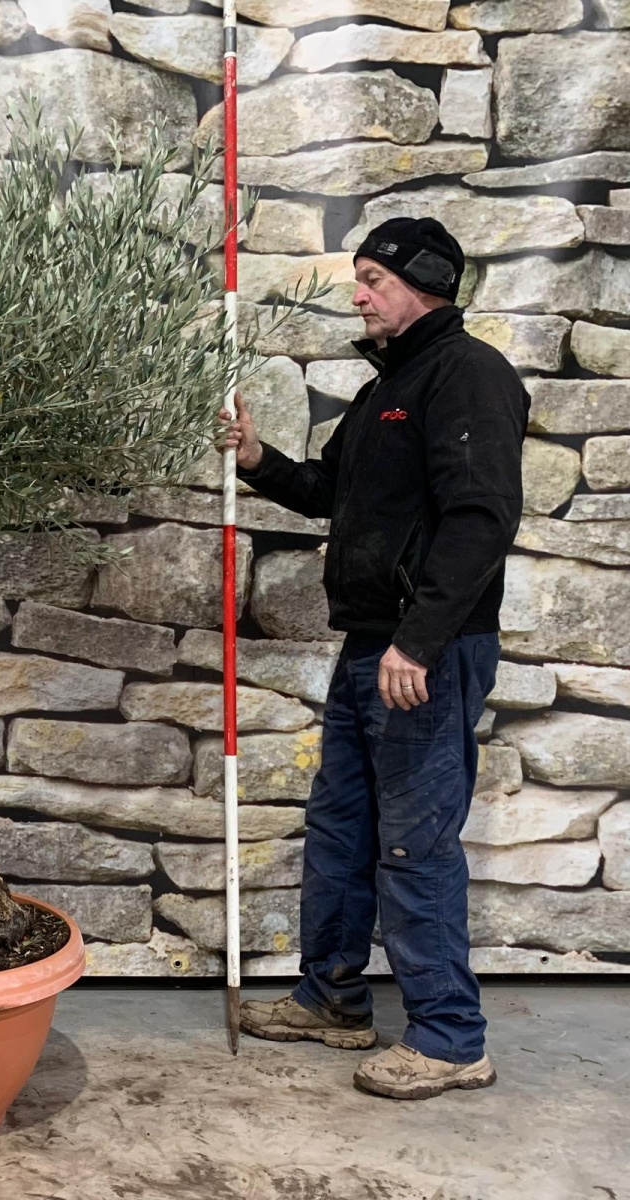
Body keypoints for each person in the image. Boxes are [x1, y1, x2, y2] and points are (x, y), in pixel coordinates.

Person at [219, 217, 529, 1100]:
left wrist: (418, 641)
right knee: (344, 828)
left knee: (413, 842)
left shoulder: (469, 377)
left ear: (423, 282)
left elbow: (480, 520)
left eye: (371, 279)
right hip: (371, 648)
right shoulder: (385, 392)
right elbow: (330, 493)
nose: (357, 294)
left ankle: (450, 1038)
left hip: (422, 655)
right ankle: (332, 1002)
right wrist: (257, 460)